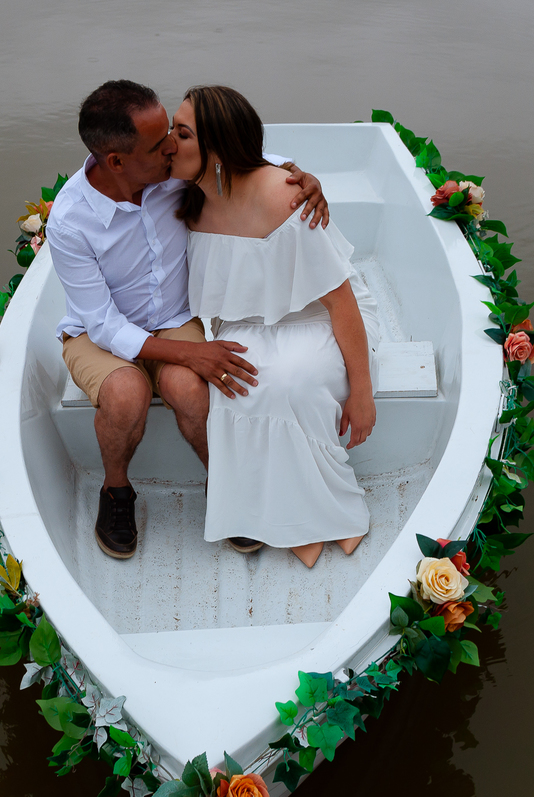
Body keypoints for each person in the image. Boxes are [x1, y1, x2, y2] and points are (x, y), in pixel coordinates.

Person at [45, 80, 329, 560]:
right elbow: (104, 325)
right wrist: (191, 353)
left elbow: (236, 159)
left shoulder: (172, 173)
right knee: (126, 394)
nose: (172, 148)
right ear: (117, 162)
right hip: (95, 336)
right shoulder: (70, 222)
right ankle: (116, 491)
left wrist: (298, 175)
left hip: (173, 319)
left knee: (192, 390)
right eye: (158, 144)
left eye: (171, 134)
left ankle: (225, 484)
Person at [171, 86, 381, 568]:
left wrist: (363, 391)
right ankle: (283, 517)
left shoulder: (285, 197)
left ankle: (326, 512)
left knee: (293, 383)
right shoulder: (183, 192)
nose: (168, 143)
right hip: (245, 320)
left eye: (182, 133)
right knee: (239, 387)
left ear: (217, 149)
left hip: (318, 314)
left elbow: (341, 301)